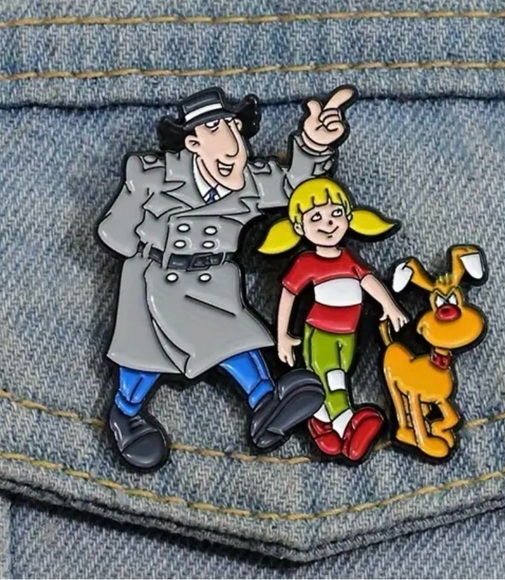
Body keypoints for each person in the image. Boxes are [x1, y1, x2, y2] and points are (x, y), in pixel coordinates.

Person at [97, 86, 356, 470]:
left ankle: (266, 405)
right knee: (145, 358)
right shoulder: (153, 175)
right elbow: (114, 233)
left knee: (237, 339)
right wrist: (142, 227)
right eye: (215, 127)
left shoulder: (250, 180)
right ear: (193, 142)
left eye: (233, 126)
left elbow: (293, 186)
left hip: (214, 279)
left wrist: (314, 145)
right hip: (155, 278)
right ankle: (126, 413)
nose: (232, 141)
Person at [259, 177, 408, 462]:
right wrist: (282, 337)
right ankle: (348, 422)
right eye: (316, 217)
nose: (328, 224)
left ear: (349, 217)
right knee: (332, 379)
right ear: (299, 228)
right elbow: (288, 296)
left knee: (331, 379)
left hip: (349, 336)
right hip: (320, 334)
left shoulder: (348, 258)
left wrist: (390, 306)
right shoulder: (306, 262)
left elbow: (368, 281)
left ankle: (321, 424)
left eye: (335, 213)